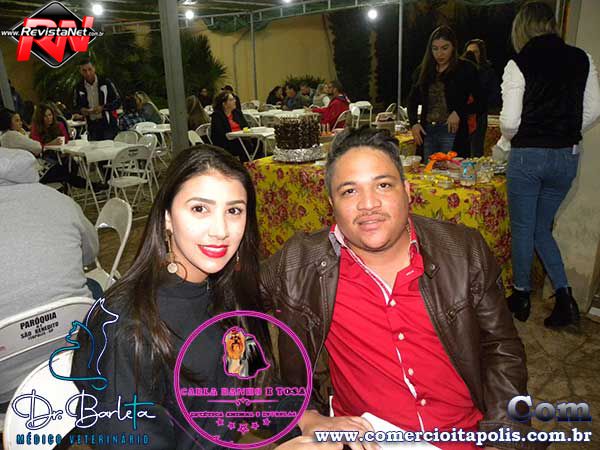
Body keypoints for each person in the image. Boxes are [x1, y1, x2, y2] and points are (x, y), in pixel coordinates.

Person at [262, 127, 547, 450]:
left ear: (407, 191)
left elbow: (501, 347)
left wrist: (503, 436)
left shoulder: (464, 251)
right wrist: (300, 415)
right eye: (349, 191)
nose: (368, 204)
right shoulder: (300, 263)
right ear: (332, 203)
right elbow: (226, 314)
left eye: (383, 185)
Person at [69, 146, 321, 450]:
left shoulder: (225, 290)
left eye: (234, 211)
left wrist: (306, 418)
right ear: (167, 217)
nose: (220, 231)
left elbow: (253, 383)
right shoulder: (124, 328)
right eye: (200, 209)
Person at [499, 2, 600, 328]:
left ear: (521, 27)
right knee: (541, 227)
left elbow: (510, 122)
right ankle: (565, 298)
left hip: (529, 155)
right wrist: (562, 129)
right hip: (566, 156)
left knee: (524, 228)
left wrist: (511, 140)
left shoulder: (519, 62)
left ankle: (521, 296)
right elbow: (594, 110)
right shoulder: (582, 58)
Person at [407, 26, 481, 160]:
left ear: (453, 47)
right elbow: (412, 101)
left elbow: (481, 101)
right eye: (435, 49)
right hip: (427, 130)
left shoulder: (466, 69)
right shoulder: (423, 71)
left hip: (453, 131)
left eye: (444, 48)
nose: (439, 54)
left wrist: (459, 112)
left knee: (451, 169)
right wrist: (414, 123)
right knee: (428, 170)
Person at [0, 108, 93, 190]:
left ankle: (89, 186)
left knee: (66, 169)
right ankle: (91, 186)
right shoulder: (13, 135)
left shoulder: (4, 136)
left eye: (20, 120)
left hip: (20, 172)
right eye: (17, 121)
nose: (21, 123)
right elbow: (37, 147)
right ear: (8, 122)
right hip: (32, 171)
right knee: (65, 170)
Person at [463, 38, 501, 157]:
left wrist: (480, 103)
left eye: (475, 52)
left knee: (475, 151)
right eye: (469, 52)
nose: (471, 55)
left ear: (481, 54)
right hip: (462, 116)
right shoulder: (460, 72)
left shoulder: (488, 72)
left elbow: (495, 95)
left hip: (479, 117)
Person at [74, 58, 121, 141]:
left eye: (90, 69)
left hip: (108, 124)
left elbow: (118, 101)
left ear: (94, 69)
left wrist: (103, 107)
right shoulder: (79, 87)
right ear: (80, 72)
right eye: (84, 71)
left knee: (109, 147)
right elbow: (75, 105)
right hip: (92, 126)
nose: (88, 73)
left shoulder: (105, 82)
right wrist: (82, 110)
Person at [210, 91, 249, 162]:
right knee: (243, 145)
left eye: (234, 99)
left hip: (241, 138)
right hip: (227, 142)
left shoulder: (237, 113)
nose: (235, 101)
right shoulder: (217, 116)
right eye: (231, 100)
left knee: (258, 142)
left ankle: (255, 164)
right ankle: (244, 164)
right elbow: (220, 134)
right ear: (224, 104)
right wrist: (236, 135)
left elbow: (246, 126)